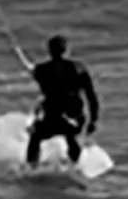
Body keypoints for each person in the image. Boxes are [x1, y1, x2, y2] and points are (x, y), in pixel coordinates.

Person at [24, 32, 101, 168]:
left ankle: (31, 168)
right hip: (74, 116)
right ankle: (75, 167)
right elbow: (91, 97)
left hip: (52, 118)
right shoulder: (79, 68)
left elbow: (39, 77)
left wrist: (33, 69)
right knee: (71, 136)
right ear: (66, 50)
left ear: (49, 51)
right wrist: (93, 120)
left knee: (35, 138)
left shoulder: (42, 70)